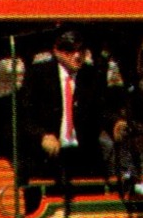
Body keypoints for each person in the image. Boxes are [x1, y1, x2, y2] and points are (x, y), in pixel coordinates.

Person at [19, 30, 125, 180]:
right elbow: (25, 115)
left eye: (81, 50)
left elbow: (102, 109)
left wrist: (115, 123)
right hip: (48, 159)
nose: (77, 56)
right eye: (70, 50)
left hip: (84, 158)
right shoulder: (38, 75)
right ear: (57, 51)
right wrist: (42, 136)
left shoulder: (92, 76)